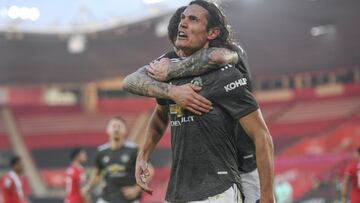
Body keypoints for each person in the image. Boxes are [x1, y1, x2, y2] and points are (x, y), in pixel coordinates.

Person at [123, 1, 274, 202]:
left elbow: (262, 136)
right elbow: (155, 109)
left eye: (192, 19)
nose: (183, 25)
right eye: (182, 21)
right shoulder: (169, 69)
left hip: (239, 169)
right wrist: (173, 92)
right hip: (181, 189)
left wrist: (268, 196)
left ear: (212, 34)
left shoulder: (228, 64)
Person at [83, 117, 153, 203]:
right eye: (113, 126)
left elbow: (149, 171)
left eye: (119, 126)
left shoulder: (135, 150)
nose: (116, 129)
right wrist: (88, 187)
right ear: (108, 130)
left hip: (129, 199)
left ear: (125, 131)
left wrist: (136, 189)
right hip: (107, 198)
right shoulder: (101, 151)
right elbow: (98, 173)